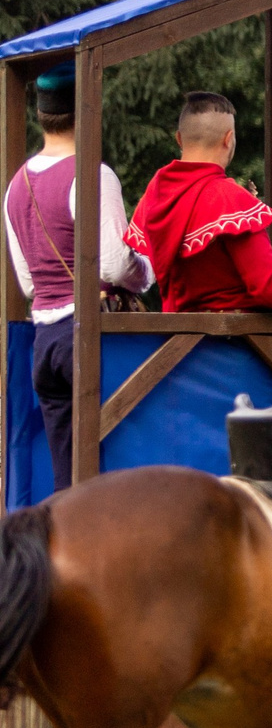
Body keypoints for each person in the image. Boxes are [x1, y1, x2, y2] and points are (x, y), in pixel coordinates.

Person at [4, 60, 155, 488]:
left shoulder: (15, 186)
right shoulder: (92, 174)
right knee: (116, 469)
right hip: (87, 337)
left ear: (42, 114)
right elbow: (114, 265)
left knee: (67, 482)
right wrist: (148, 271)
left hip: (44, 344)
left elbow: (30, 282)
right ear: (88, 108)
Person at [126, 92, 272, 317]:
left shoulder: (155, 195)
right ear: (228, 139)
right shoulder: (229, 198)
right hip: (238, 344)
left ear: (179, 139)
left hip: (179, 344)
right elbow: (270, 286)